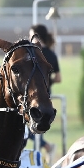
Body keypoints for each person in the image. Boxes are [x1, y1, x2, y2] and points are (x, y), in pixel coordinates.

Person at [27, 24, 61, 156]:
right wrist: (47, 82)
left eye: (31, 35)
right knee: (34, 125)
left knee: (28, 127)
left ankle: (46, 147)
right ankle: (45, 148)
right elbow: (58, 78)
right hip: (46, 97)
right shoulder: (52, 54)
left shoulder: (33, 53)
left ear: (36, 36)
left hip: (33, 96)